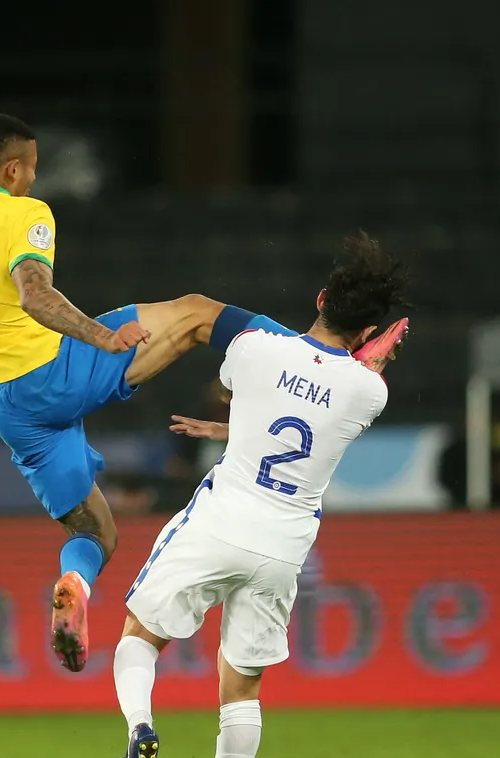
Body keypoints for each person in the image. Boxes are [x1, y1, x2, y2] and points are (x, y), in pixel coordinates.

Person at [0, 43, 407, 673]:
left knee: (96, 533)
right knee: (194, 314)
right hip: (51, 373)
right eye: (35, 167)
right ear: (14, 169)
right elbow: (34, 293)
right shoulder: (24, 214)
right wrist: (100, 339)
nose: (37, 177)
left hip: (2, 403)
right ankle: (310, 353)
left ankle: (74, 588)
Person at [113, 233, 409, 758]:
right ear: (368, 330)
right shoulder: (370, 391)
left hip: (221, 521)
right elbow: (324, 409)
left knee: (140, 634)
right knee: (242, 687)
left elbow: (234, 361)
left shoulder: (254, 347)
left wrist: (234, 427)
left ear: (320, 298)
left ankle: (140, 727)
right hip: (281, 549)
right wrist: (370, 361)